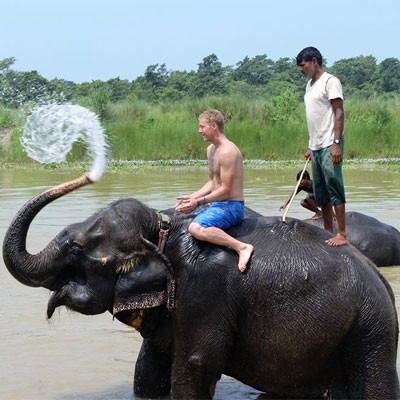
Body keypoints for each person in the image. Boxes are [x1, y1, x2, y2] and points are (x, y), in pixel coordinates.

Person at [175, 109, 254, 272]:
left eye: (202, 126)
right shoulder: (211, 150)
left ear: (213, 126)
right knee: (178, 213)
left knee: (195, 228)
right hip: (217, 204)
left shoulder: (228, 151)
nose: (199, 131)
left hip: (232, 206)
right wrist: (192, 197)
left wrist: (198, 202)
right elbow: (213, 182)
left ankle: (241, 247)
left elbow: (225, 190)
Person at [296, 46, 348, 246]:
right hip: (316, 145)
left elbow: (339, 113)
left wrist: (336, 144)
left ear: (314, 61)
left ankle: (342, 234)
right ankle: (328, 231)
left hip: (329, 143)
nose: (301, 70)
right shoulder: (310, 85)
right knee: (321, 191)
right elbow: (314, 117)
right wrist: (311, 145)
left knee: (334, 185)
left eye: (303, 65)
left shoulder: (330, 81)